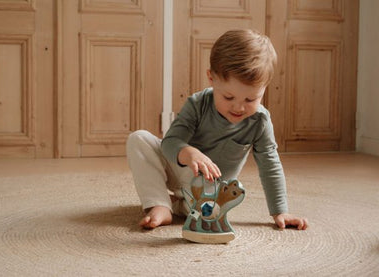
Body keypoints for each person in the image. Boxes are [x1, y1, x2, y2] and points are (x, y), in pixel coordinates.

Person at [126, 29, 308, 231]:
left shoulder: (260, 121)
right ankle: (160, 205)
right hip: (180, 167)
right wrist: (189, 153)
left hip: (211, 187)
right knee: (139, 139)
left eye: (250, 99)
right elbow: (170, 142)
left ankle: (180, 205)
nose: (239, 108)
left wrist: (280, 211)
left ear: (265, 88)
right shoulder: (198, 104)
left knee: (210, 212)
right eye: (228, 98)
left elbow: (270, 165)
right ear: (211, 79)